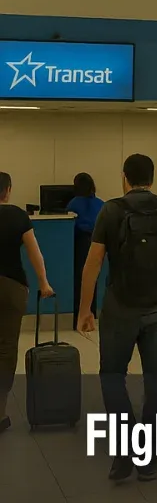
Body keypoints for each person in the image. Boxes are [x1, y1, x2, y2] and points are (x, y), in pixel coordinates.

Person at [77, 154, 157, 482]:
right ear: (152, 179)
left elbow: (93, 263)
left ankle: (126, 447)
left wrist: (84, 309)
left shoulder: (111, 210)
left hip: (119, 310)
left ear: (124, 178)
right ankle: (150, 459)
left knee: (112, 376)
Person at [0, 172, 55, 434]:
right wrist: (44, 283)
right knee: (6, 348)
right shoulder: (18, 216)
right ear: (8, 190)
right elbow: (35, 252)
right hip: (12, 287)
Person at [66, 172, 104, 322]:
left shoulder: (74, 203)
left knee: (80, 278)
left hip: (80, 242)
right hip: (98, 242)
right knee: (93, 278)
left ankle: (79, 315)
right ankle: (92, 313)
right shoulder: (101, 203)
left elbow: (69, 227)